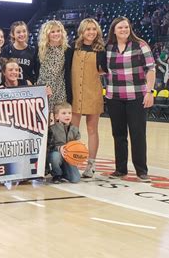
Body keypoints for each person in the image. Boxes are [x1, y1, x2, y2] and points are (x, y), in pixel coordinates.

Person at [105, 16, 155, 182]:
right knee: (118, 134)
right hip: (114, 96)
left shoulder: (141, 45)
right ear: (114, 30)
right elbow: (101, 69)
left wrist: (150, 92)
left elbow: (151, 69)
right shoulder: (108, 47)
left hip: (137, 96)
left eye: (126, 27)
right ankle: (120, 169)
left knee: (137, 133)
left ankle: (141, 170)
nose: (124, 30)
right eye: (120, 28)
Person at [65, 18, 107, 178]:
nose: (91, 32)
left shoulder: (101, 50)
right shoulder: (72, 47)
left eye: (94, 29)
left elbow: (105, 70)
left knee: (92, 130)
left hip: (93, 93)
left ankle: (91, 164)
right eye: (88, 29)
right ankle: (71, 164)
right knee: (73, 131)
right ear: (82, 31)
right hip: (75, 92)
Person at [36, 20, 69, 114]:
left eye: (58, 31)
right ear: (47, 34)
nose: (56, 34)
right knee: (44, 115)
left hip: (60, 88)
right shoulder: (40, 48)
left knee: (59, 116)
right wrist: (44, 86)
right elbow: (36, 69)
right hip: (44, 87)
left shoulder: (66, 49)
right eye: (52, 31)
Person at [47, 102, 81, 184]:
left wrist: (79, 150)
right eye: (64, 113)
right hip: (56, 154)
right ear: (57, 116)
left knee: (75, 179)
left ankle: (63, 173)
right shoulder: (52, 129)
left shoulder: (75, 129)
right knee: (55, 156)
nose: (67, 115)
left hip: (69, 156)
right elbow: (48, 146)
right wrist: (59, 148)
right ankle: (56, 174)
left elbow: (77, 144)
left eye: (69, 113)